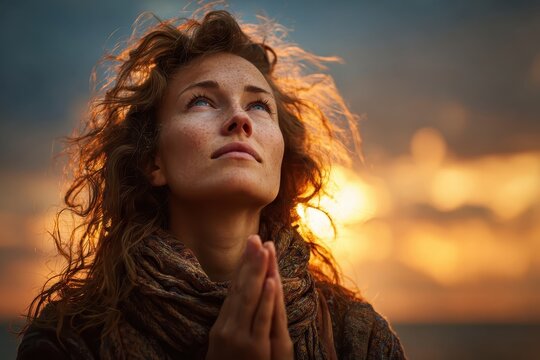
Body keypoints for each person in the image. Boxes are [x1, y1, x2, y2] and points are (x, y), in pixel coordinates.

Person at [17, 8, 406, 360]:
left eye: (258, 105)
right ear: (154, 160)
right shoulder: (69, 340)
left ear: (282, 158)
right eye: (202, 101)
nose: (240, 119)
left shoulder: (358, 338)